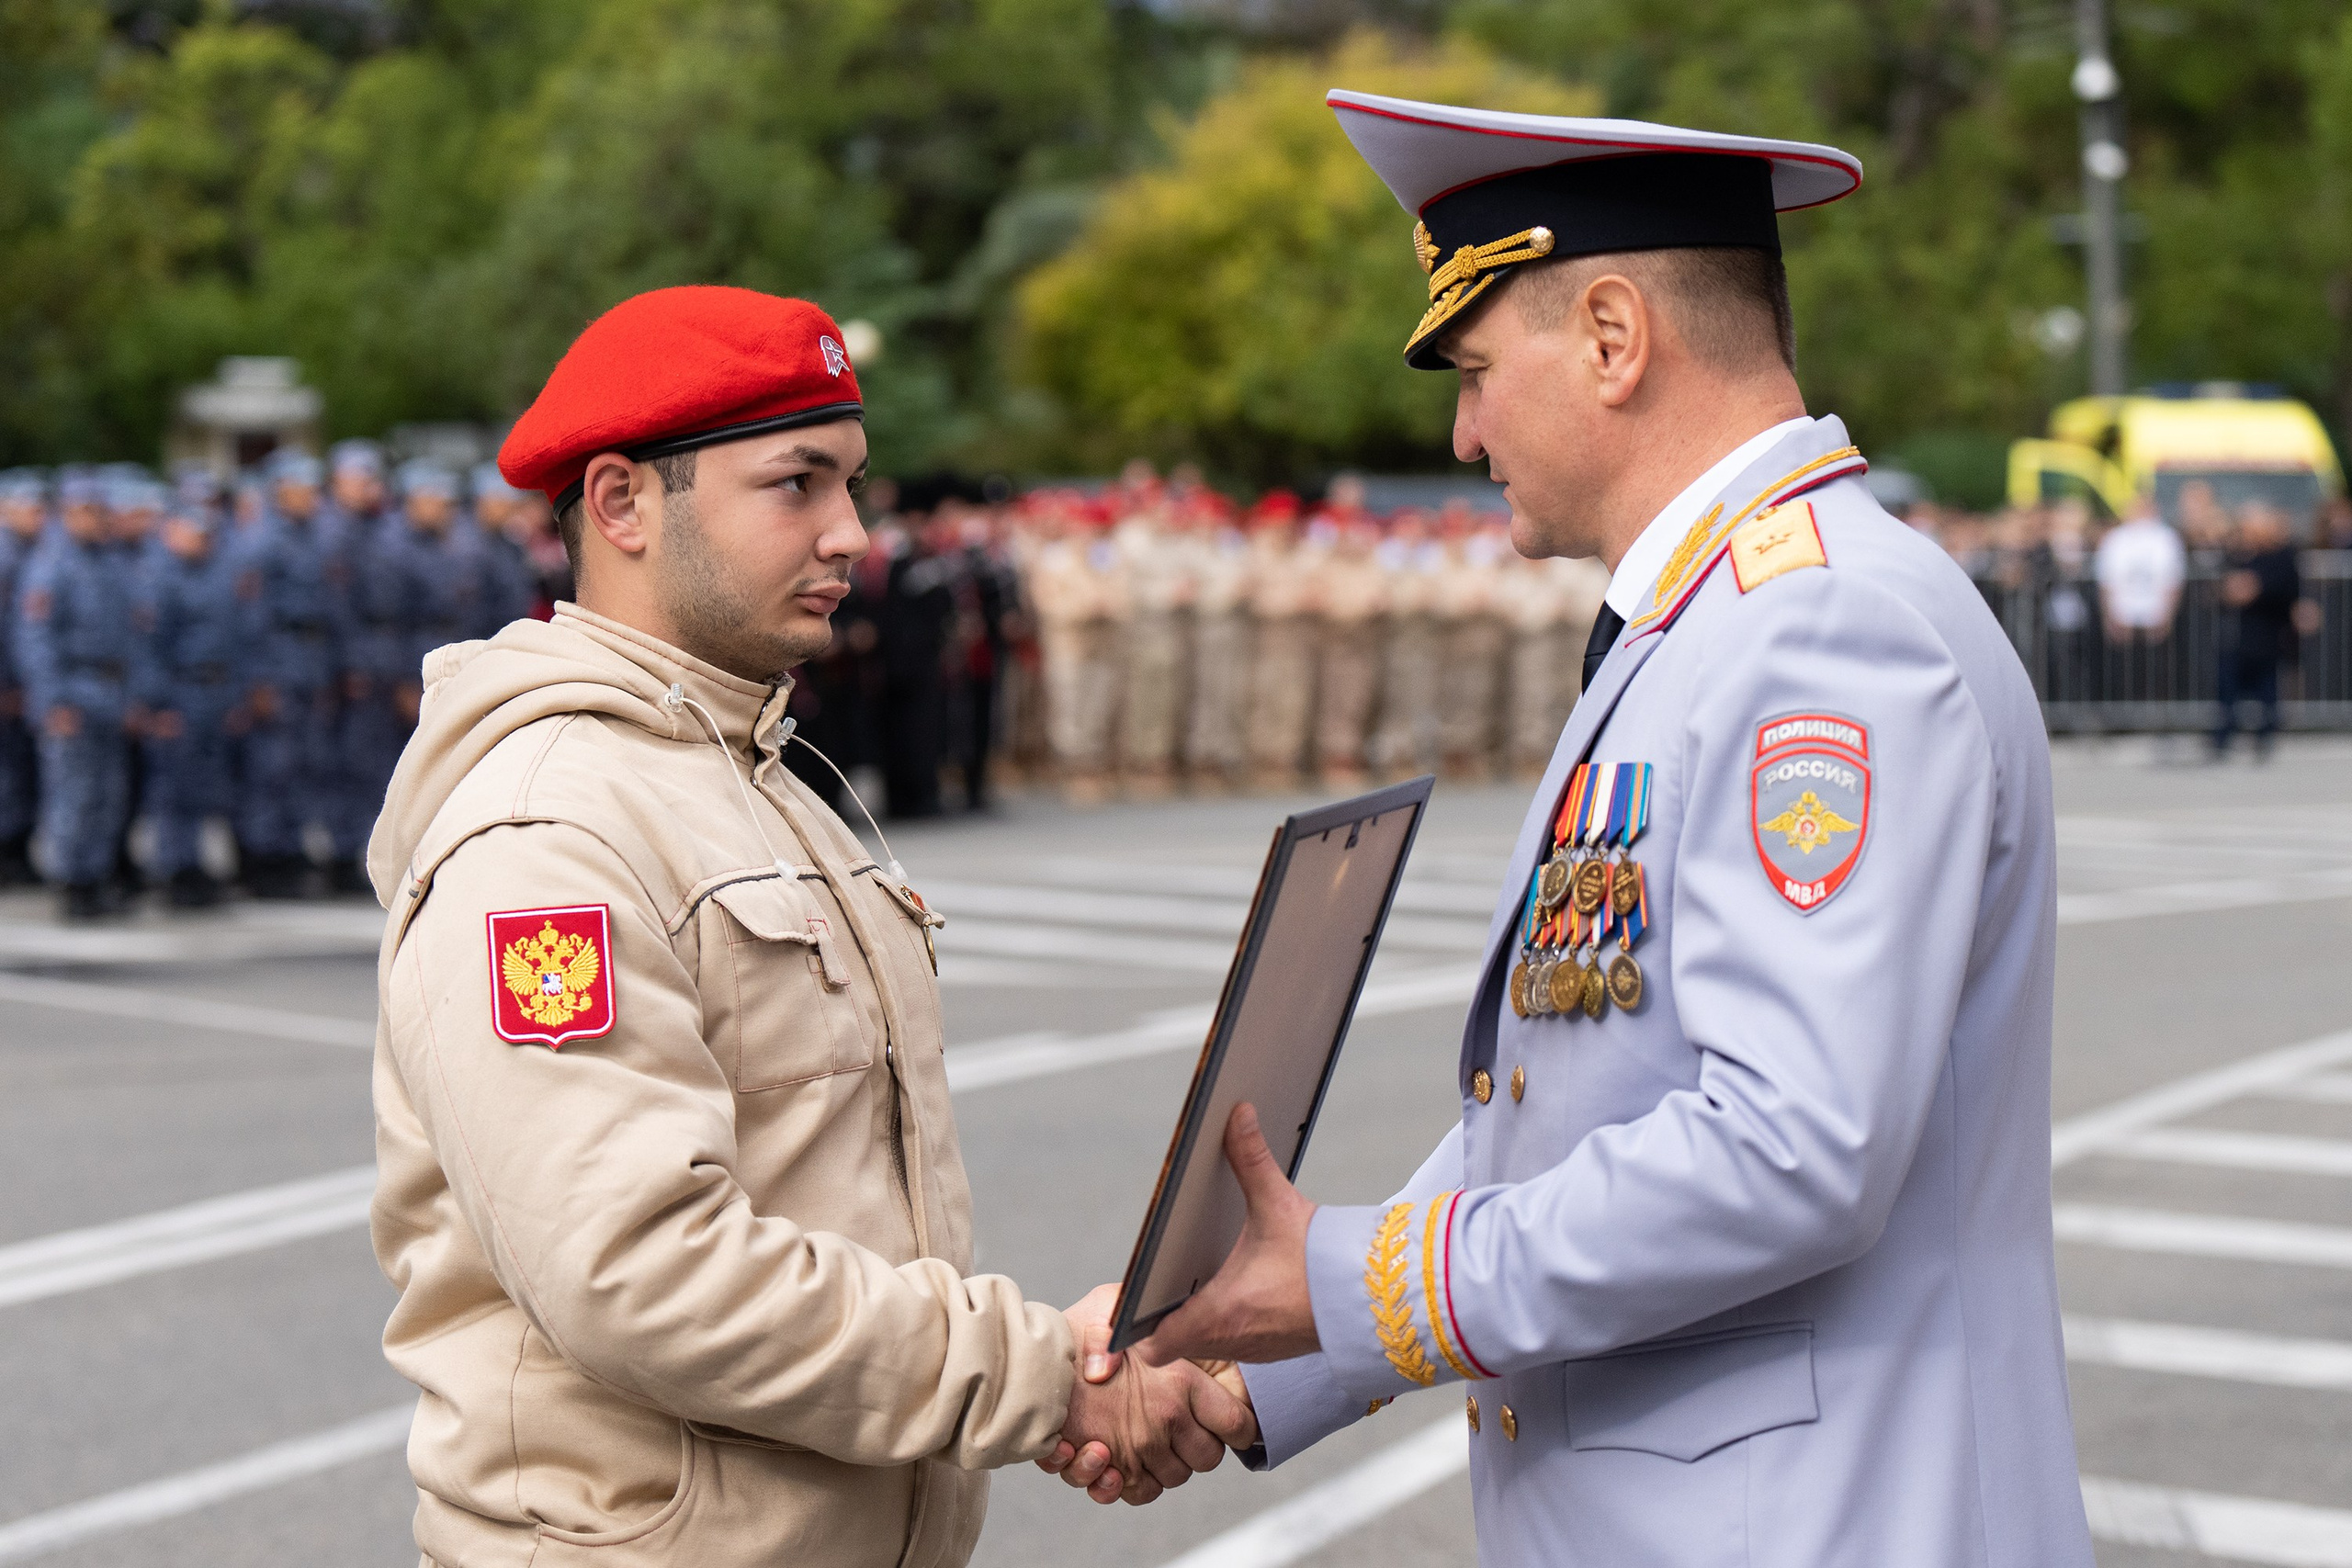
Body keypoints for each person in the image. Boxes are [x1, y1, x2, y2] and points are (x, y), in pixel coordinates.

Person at [1136, 93, 2093, 1568]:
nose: (1462, 431)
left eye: (1472, 368)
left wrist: (1355, 1277)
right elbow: (1587, 1102)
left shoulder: (1818, 630)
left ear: (1610, 335)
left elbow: (1789, 1147)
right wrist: (1262, 1351)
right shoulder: (1719, 618)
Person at [366, 286, 1249, 1568]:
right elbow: (645, 1274)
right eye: (797, 484)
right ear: (619, 504)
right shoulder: (547, 832)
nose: (851, 533)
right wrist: (1048, 1370)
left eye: (854, 485)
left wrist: (1070, 1366)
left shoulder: (755, 772)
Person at [14, 472, 134, 919]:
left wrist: (133, 695)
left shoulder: (110, 563)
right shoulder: (51, 566)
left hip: (109, 687)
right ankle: (71, 878)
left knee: (109, 792)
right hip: (73, 688)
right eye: (82, 510)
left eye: (97, 510)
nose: (92, 519)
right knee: (73, 791)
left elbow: (130, 636)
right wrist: (52, 701)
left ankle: (97, 875)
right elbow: (36, 640)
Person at [234, 450, 347, 898]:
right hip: (276, 656)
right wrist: (259, 679)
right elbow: (250, 616)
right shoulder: (261, 541)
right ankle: (264, 856)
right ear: (280, 490)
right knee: (271, 766)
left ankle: (291, 850)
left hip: (308, 657)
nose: (310, 496)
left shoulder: (314, 538)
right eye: (300, 487)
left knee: (304, 762)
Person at [130, 504, 247, 907]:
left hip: (213, 690)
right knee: (172, 788)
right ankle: (172, 867)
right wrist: (158, 704)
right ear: (172, 531)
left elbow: (233, 640)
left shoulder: (215, 574)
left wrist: (233, 696)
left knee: (204, 786)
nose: (202, 539)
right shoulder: (158, 579)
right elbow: (147, 650)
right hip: (179, 691)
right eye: (193, 531)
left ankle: (193, 862)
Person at [2211, 499, 2306, 757]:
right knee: (2228, 688)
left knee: (2268, 689)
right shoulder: (2238, 553)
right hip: (2238, 636)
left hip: (2269, 634)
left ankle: (2266, 734)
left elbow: (2285, 588)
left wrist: (2256, 587)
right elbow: (2225, 585)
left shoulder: (2282, 554)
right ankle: (2224, 735)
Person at [2092, 490, 2186, 705]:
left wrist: (2168, 615)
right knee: (2122, 671)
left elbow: (2173, 579)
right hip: (2123, 612)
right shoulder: (2116, 538)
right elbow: (2106, 581)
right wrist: (2109, 616)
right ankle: (2123, 714)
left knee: (2158, 671)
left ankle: (2156, 715)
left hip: (2154, 613)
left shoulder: (2165, 537)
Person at [0, 469, 47, 885]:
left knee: (23, 775)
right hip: (8, 684)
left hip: (25, 682)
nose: (37, 514)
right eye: (27, 506)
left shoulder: (35, 551)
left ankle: (17, 850)